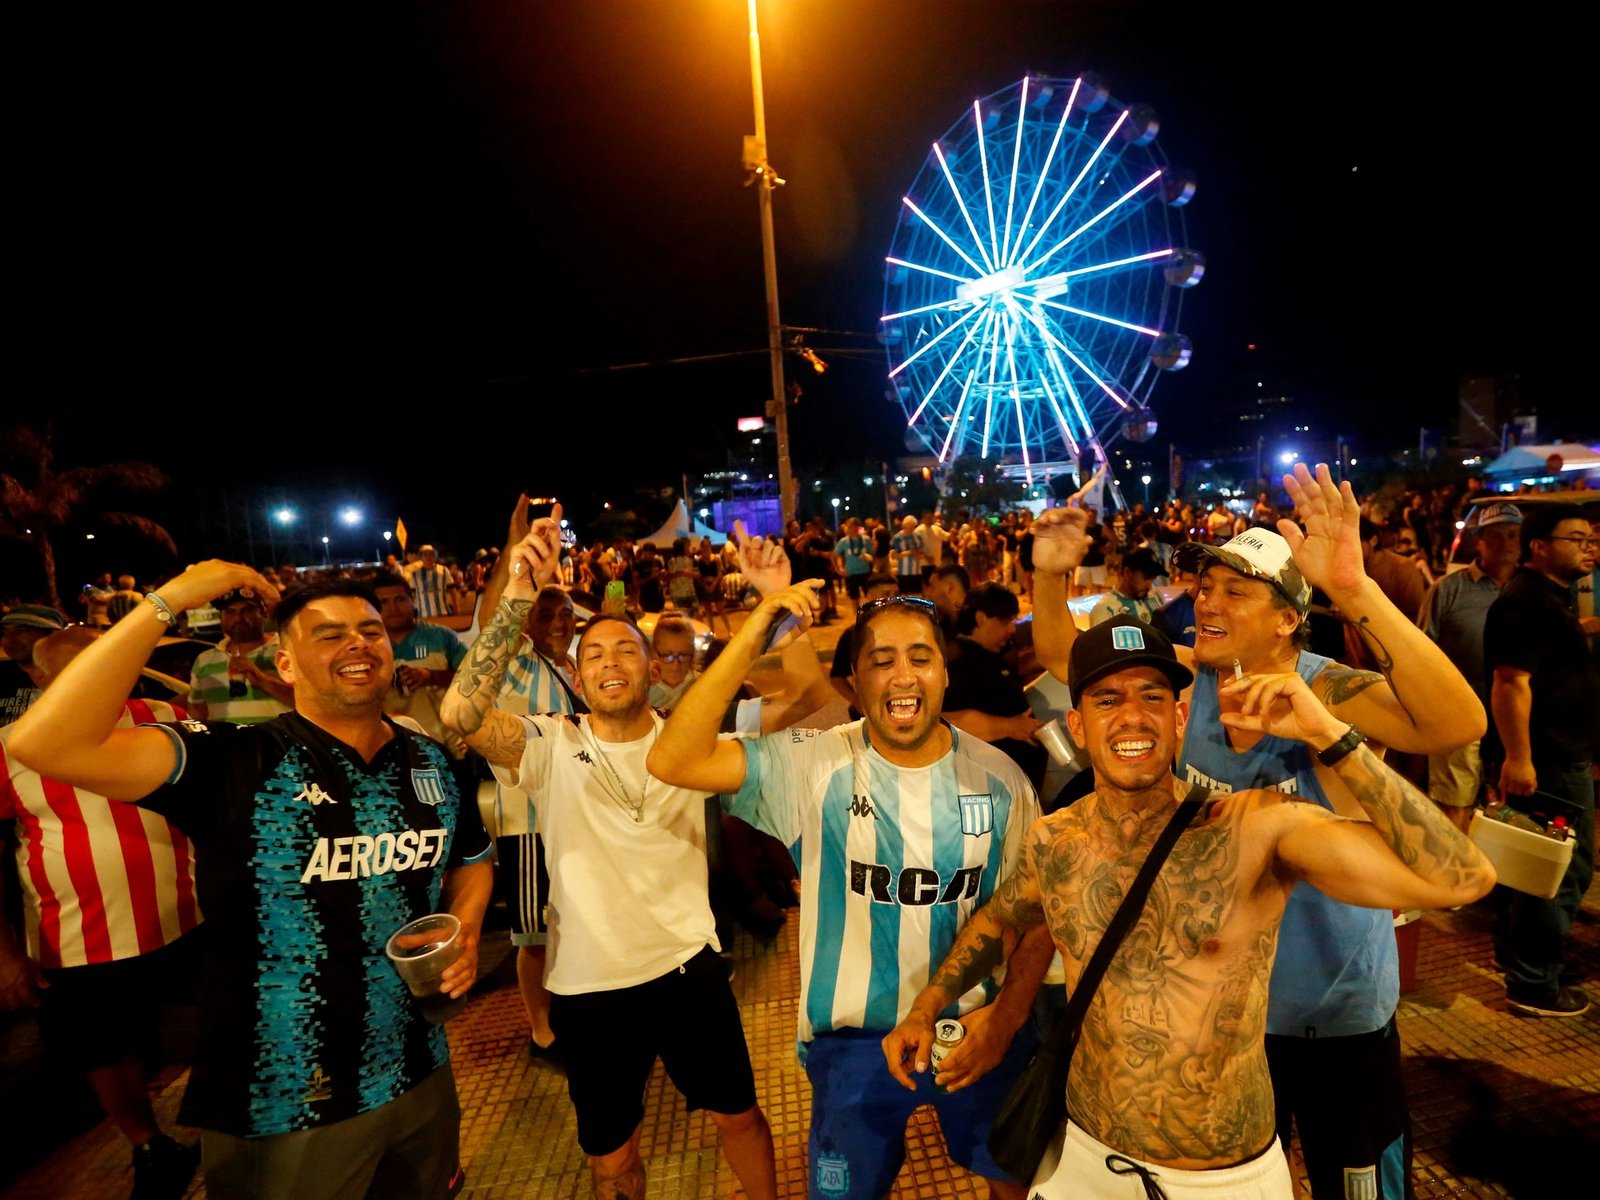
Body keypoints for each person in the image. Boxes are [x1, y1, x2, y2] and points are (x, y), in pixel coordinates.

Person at [883, 616, 1495, 1199]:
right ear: (1076, 725)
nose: (1132, 717)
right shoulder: (1054, 841)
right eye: (1107, 700)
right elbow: (1001, 918)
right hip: (1086, 1157)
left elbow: (1460, 878)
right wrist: (930, 1005)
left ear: (1179, 717)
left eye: (1152, 698)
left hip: (1221, 1178)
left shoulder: (1252, 829)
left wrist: (1330, 736)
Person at [1030, 462, 1489, 1200]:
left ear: (1286, 619)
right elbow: (1065, 659)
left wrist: (1355, 588)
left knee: (1360, 1187)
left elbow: (1459, 723)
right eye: (1205, 586)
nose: (1206, 600)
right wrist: (1048, 578)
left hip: (1336, 1016)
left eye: (1234, 591)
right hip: (1237, 1023)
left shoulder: (1324, 685)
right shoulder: (1190, 685)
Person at [6, 567, 495, 1200]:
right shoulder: (235, 758)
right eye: (328, 635)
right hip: (285, 1095)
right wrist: (170, 599)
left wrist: (468, 926)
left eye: (369, 630)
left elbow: (472, 858)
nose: (357, 642)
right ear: (285, 665)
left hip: (420, 1067)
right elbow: (44, 741)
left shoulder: (429, 757)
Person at [648, 553, 1053, 1200]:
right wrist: (756, 629)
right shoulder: (815, 765)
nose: (903, 675)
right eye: (880, 660)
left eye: (921, 656)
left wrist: (1006, 1019)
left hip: (976, 1027)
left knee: (1014, 1186)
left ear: (946, 673)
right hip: (851, 1045)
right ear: (854, 683)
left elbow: (1033, 915)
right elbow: (673, 759)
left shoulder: (1000, 781)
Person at [440, 508, 778, 1200]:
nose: (609, 662)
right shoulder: (548, 743)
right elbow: (458, 716)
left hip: (689, 971)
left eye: (626, 650)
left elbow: (797, 697)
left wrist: (770, 605)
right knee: (610, 1157)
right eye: (593, 654)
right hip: (588, 987)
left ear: (652, 668)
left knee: (739, 1116)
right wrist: (515, 599)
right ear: (576, 670)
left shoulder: (687, 740)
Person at [1, 626, 203, 1200]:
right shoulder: (11, 744)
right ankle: (148, 1146)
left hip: (188, 913)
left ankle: (231, 1123)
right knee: (100, 1047)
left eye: (99, 662)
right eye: (68, 669)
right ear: (37, 679)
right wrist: (6, 953)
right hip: (77, 934)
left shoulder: (166, 713)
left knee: (223, 1018)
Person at [1483, 503, 1600, 1017]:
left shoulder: (1553, 597)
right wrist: (1519, 758)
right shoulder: (1527, 602)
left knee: (1530, 866)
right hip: (1547, 761)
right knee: (1558, 869)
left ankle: (1523, 961)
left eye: (1591, 538)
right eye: (1577, 538)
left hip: (1558, 754)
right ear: (1540, 547)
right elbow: (1511, 683)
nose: (1589, 547)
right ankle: (1533, 982)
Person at [1417, 501, 1522, 832]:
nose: (1506, 543)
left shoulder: (1531, 591)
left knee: (1508, 808)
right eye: (1495, 536)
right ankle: (1454, 877)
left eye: (1513, 535)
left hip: (1517, 721)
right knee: (1454, 806)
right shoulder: (1448, 590)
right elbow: (1420, 652)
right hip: (1458, 714)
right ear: (1480, 541)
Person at [943, 581, 1049, 792]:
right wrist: (1011, 726)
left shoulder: (988, 657)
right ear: (981, 619)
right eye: (1005, 621)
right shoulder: (957, 664)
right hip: (987, 794)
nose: (1012, 629)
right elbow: (947, 722)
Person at [375, 575, 469, 753]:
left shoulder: (442, 637)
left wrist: (432, 676)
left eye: (400, 599)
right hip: (395, 749)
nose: (393, 608)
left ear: (413, 600)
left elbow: (474, 680)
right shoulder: (368, 647)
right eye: (383, 602)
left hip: (449, 745)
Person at [186, 587, 294, 724]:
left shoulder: (288, 651)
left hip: (279, 744)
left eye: (247, 610)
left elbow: (315, 705)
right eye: (230, 612)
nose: (238, 618)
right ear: (221, 619)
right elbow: (197, 714)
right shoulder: (204, 661)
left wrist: (264, 681)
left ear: (264, 614)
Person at [829, 573, 898, 719]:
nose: (892, 599)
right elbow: (837, 677)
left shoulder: (905, 632)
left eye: (895, 594)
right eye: (886, 594)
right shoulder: (854, 635)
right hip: (868, 714)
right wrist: (856, 700)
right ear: (870, 596)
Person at [1, 604, 66, 726]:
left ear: (53, 635)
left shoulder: (74, 675)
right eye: (5, 632)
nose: (10, 639)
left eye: (22, 631)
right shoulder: (3, 674)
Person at [1086, 546, 1164, 627]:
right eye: (1145, 578)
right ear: (1127, 572)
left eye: (1153, 579)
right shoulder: (1105, 609)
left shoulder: (1156, 596)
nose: (1149, 586)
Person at [403, 544, 459, 619]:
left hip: (443, 612)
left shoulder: (443, 570)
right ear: (421, 557)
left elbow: (452, 589)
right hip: (423, 614)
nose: (428, 557)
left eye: (431, 554)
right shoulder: (415, 574)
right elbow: (412, 594)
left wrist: (456, 606)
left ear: (434, 556)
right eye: (425, 554)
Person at [834, 517, 875, 604]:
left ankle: (871, 616)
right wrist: (838, 569)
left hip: (865, 571)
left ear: (857, 527)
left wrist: (869, 557)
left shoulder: (866, 539)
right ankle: (857, 615)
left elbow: (873, 554)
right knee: (854, 597)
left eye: (851, 526)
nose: (849, 529)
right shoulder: (844, 541)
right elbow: (834, 555)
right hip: (851, 573)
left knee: (870, 596)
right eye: (848, 527)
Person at [890, 514, 926, 594]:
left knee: (917, 595)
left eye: (912, 528)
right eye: (908, 528)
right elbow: (894, 555)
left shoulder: (918, 536)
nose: (910, 530)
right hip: (903, 572)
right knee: (904, 595)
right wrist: (909, 552)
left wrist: (920, 555)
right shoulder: (897, 537)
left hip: (916, 571)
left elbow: (922, 551)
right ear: (903, 526)